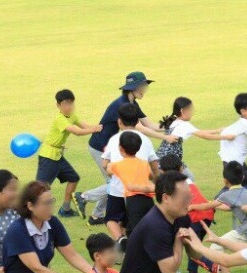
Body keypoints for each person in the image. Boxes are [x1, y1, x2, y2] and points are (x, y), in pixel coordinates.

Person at [82, 71, 177, 224]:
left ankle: (96, 216)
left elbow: (150, 124)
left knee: (114, 182)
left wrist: (169, 122)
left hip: (113, 147)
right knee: (114, 183)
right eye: (143, 87)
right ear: (134, 87)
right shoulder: (123, 105)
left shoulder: (132, 103)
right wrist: (166, 137)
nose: (145, 90)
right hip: (101, 147)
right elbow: (139, 128)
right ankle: (83, 197)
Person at [188, 161, 247, 273]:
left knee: (216, 246)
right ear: (243, 178)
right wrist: (214, 203)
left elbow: (207, 207)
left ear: (225, 180)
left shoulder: (227, 194)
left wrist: (191, 206)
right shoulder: (244, 191)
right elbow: (230, 207)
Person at [100, 104, 159, 248]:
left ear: (119, 121)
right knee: (132, 222)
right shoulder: (145, 140)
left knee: (111, 219)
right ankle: (129, 244)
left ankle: (122, 241)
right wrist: (156, 180)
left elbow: (104, 164)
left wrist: (112, 167)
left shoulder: (115, 139)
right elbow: (154, 165)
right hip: (143, 193)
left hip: (118, 190)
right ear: (137, 121)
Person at [36, 89, 102, 218]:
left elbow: (85, 126)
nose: (69, 106)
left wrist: (100, 127)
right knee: (39, 189)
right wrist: (94, 129)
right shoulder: (59, 119)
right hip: (48, 156)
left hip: (58, 156)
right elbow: (77, 131)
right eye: (66, 104)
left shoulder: (73, 115)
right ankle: (31, 214)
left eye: (71, 103)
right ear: (58, 105)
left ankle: (65, 209)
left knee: (73, 178)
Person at [159, 155, 218, 273]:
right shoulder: (186, 180)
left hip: (195, 216)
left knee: (186, 244)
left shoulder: (171, 184)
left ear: (162, 171)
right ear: (181, 168)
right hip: (206, 215)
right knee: (191, 245)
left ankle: (212, 265)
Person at [156, 96, 237, 181]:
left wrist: (218, 130)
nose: (192, 113)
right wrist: (226, 137)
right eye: (190, 110)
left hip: (161, 159)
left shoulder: (172, 121)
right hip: (169, 162)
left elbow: (200, 132)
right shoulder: (185, 125)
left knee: (184, 179)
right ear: (182, 111)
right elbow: (205, 136)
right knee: (189, 178)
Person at [106, 132, 157, 239]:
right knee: (150, 227)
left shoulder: (118, 165)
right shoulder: (144, 163)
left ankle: (130, 248)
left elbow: (108, 170)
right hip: (149, 200)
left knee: (136, 232)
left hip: (133, 200)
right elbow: (151, 176)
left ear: (121, 148)